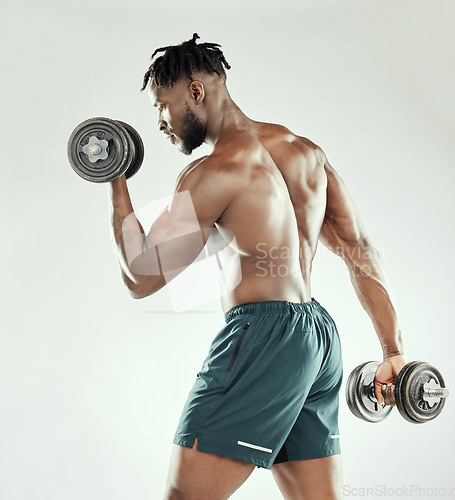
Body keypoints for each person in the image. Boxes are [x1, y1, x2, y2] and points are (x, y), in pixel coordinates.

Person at [107, 33, 406, 500]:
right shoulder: (305, 153)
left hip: (264, 336)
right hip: (318, 338)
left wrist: (115, 181)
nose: (161, 123)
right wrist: (393, 351)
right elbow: (360, 250)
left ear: (196, 92)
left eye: (162, 106)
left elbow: (140, 276)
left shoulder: (217, 170)